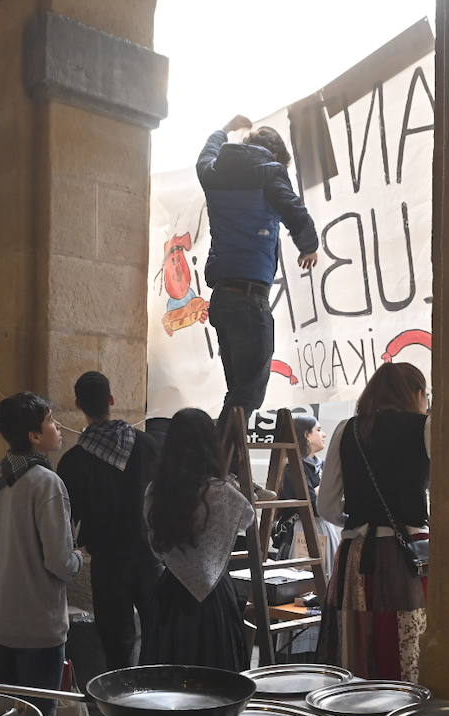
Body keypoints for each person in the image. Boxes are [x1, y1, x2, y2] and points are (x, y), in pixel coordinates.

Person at [197, 116, 318, 427]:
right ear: (276, 154)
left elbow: (205, 155)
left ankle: (223, 468)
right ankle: (215, 468)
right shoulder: (270, 173)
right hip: (250, 299)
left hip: (223, 298)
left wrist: (224, 128)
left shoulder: (214, 173)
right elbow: (295, 210)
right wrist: (308, 245)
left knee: (237, 392)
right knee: (248, 395)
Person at [0, 392, 82, 716]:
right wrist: (79, 556)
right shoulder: (47, 483)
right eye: (51, 420)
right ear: (34, 436)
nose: (58, 425)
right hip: (38, 628)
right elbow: (60, 562)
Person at [317, 364, 430, 681]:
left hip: (356, 556)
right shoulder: (425, 427)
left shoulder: (346, 430)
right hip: (409, 557)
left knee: (357, 649)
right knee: (408, 645)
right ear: (417, 393)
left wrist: (357, 521)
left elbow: (326, 505)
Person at [57, 372, 161, 671]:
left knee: (116, 637)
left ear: (78, 404)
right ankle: (155, 689)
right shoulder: (147, 445)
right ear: (112, 400)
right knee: (155, 627)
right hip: (148, 553)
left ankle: (121, 694)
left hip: (107, 560)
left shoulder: (74, 460)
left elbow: (68, 517)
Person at [143, 408, 254, 671]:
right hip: (216, 596)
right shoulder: (225, 493)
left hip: (172, 596)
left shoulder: (156, 491)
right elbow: (247, 518)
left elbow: (155, 546)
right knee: (217, 679)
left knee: (166, 679)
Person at [273, 413, 340, 575]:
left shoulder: (321, 466)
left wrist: (319, 491)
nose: (324, 434)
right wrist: (325, 490)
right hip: (301, 532)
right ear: (306, 435)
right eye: (318, 430)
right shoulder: (292, 469)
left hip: (324, 529)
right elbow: (313, 505)